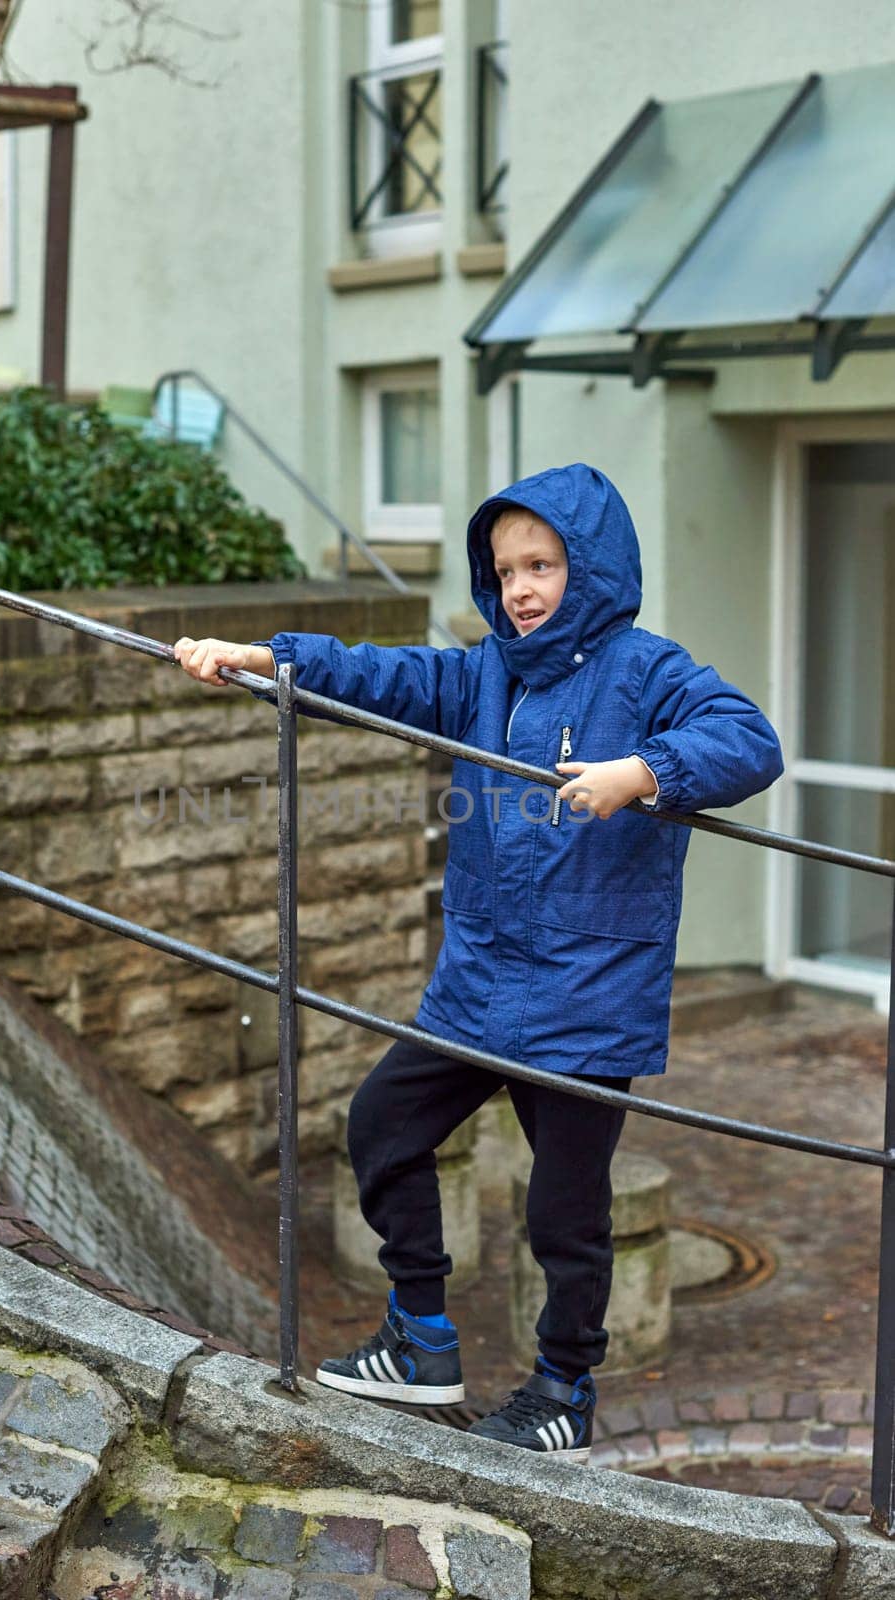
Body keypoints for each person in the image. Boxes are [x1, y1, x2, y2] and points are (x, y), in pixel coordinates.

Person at [173, 463, 784, 1462]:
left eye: (542, 563)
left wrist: (646, 772)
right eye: (504, 571)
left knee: (566, 1211)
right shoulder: (481, 672)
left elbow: (749, 740)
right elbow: (381, 674)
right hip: (480, 983)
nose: (522, 588)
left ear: (591, 567)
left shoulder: (648, 671)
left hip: (589, 997)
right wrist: (264, 659)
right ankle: (421, 1338)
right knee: (380, 1127)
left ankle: (561, 1391)